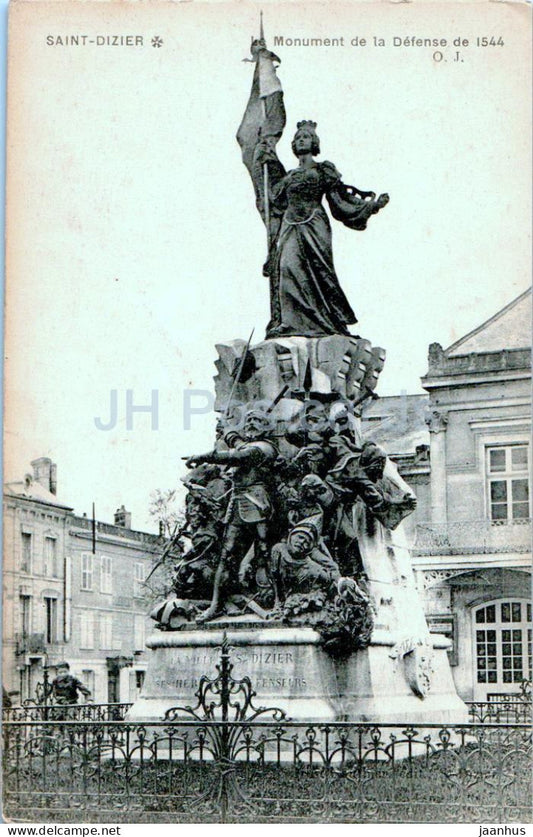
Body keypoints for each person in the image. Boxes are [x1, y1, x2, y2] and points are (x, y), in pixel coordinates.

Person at [257, 120, 389, 338]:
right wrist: (266, 158)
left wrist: (370, 206)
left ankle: (330, 321)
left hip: (314, 225)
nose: (301, 140)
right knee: (286, 269)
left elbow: (340, 199)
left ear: (314, 142)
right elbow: (273, 200)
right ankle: (289, 322)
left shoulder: (322, 169)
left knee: (320, 272)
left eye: (305, 137)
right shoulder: (288, 176)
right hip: (289, 226)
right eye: (298, 138)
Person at [185, 409, 278, 621]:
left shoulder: (266, 448)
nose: (252, 423)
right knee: (227, 556)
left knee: (265, 554)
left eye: (258, 420)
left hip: (258, 504)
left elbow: (239, 455)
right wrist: (228, 430)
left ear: (267, 427)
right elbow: (237, 444)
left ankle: (276, 603)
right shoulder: (248, 444)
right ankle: (216, 605)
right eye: (249, 420)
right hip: (237, 504)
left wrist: (204, 456)